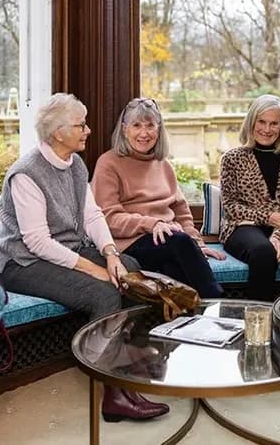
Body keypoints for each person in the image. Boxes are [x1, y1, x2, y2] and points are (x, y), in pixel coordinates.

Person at [0, 93, 169, 422]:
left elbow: (92, 215)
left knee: (130, 269)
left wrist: (111, 254)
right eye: (81, 125)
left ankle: (125, 359)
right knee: (103, 293)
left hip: (65, 249)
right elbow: (37, 242)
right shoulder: (26, 174)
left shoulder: (74, 164)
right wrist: (92, 269)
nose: (88, 130)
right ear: (58, 133)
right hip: (22, 263)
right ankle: (114, 394)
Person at [92, 97, 225, 299]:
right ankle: (216, 305)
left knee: (174, 268)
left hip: (168, 241)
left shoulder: (163, 165)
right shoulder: (108, 163)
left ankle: (194, 315)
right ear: (124, 129)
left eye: (150, 125)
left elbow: (181, 211)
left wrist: (197, 244)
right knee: (179, 243)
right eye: (137, 125)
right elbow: (108, 218)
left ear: (159, 129)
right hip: (129, 241)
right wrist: (152, 224)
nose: (144, 133)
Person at [219, 94, 280, 301]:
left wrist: (277, 236)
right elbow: (230, 206)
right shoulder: (231, 159)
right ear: (251, 122)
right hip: (242, 226)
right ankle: (260, 315)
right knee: (263, 252)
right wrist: (268, 218)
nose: (267, 129)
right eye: (261, 122)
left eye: (274, 123)